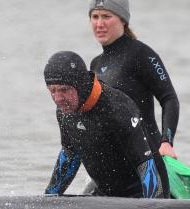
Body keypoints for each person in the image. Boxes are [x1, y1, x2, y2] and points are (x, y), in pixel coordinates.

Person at [43, 51, 168, 198]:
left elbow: (145, 164)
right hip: (104, 196)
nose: (57, 98)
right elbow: (70, 154)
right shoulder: (65, 112)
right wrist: (48, 199)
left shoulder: (118, 108)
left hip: (140, 195)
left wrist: (154, 207)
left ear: (81, 84)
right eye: (52, 91)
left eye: (64, 90)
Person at [87, 0, 180, 159]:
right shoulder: (96, 64)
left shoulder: (141, 54)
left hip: (148, 156)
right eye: (94, 17)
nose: (99, 24)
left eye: (106, 16)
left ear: (122, 20)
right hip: (117, 162)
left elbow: (169, 98)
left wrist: (167, 142)